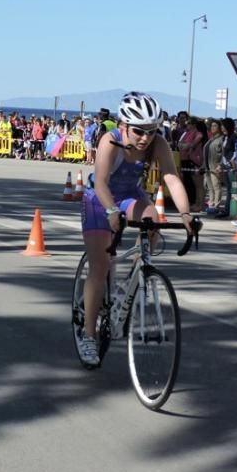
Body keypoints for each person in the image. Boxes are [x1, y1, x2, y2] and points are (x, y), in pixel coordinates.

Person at [78, 91, 195, 368]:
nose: (145, 138)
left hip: (130, 196)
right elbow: (102, 183)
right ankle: (89, 335)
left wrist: (187, 214)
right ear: (124, 126)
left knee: (152, 217)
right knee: (100, 265)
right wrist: (110, 212)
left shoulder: (159, 144)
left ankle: (138, 270)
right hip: (100, 200)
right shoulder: (111, 141)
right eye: (139, 131)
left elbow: (171, 179)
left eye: (152, 131)